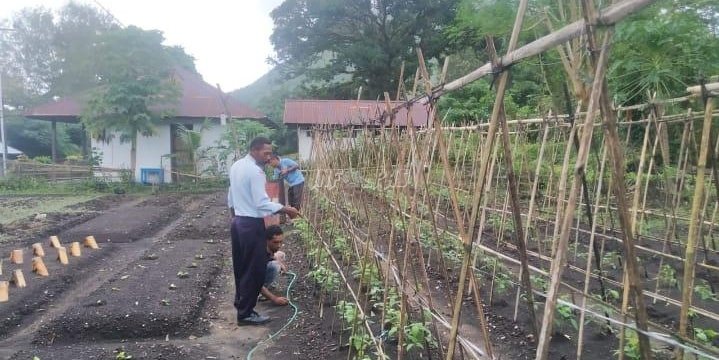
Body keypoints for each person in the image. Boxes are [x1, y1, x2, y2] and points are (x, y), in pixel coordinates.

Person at [228, 137, 299, 326]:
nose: (268, 157)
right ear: (254, 150)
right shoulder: (256, 171)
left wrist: (235, 217)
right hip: (250, 224)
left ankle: (241, 303)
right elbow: (261, 203)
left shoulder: (236, 166)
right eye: (265, 153)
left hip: (238, 222)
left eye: (270, 153)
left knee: (241, 268)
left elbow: (232, 196)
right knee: (255, 270)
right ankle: (246, 314)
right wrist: (286, 209)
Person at [260, 225, 289, 306]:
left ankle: (266, 286)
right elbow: (255, 283)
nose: (279, 245)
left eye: (281, 242)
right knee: (274, 266)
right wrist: (275, 299)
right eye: (275, 242)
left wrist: (281, 264)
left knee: (280, 255)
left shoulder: (266, 248)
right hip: (249, 283)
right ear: (267, 241)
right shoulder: (259, 256)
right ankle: (259, 293)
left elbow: (273, 255)